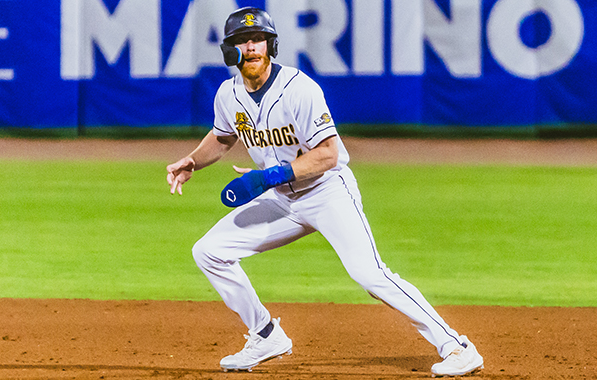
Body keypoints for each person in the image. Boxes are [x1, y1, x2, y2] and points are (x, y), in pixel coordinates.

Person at [166, 6, 484, 377]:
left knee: (370, 275)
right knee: (209, 252)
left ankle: (457, 346)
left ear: (271, 46)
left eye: (258, 41)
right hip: (282, 199)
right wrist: (192, 161)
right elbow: (222, 137)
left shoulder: (299, 89)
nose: (251, 48)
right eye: (242, 41)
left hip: (327, 192)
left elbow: (329, 154)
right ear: (229, 50)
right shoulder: (228, 94)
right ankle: (266, 334)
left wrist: (268, 178)